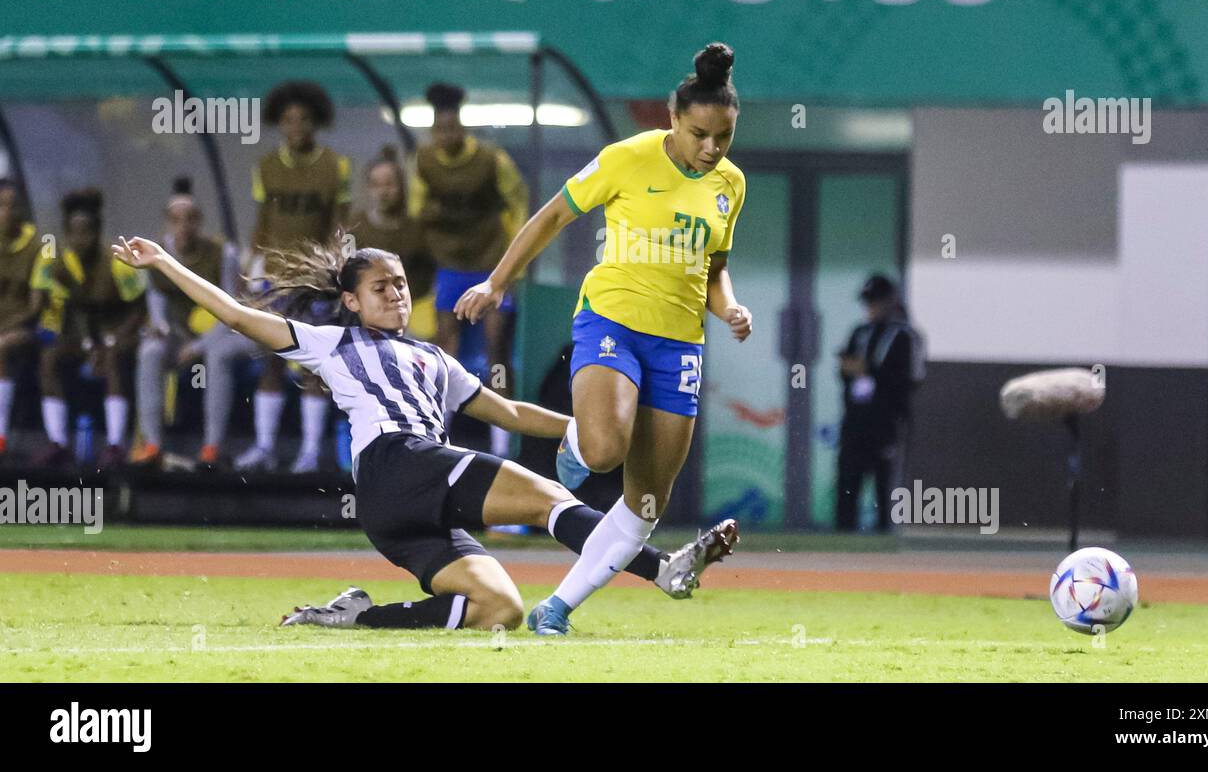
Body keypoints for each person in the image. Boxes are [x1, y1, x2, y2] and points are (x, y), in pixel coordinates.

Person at [111, 232, 737, 631]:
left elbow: (511, 414)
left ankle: (358, 617)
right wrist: (164, 261)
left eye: (402, 285)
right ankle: (662, 569)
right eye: (380, 287)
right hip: (399, 462)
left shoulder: (436, 359)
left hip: (402, 508)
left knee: (501, 612)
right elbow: (241, 317)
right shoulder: (333, 343)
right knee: (551, 502)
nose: (396, 294)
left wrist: (589, 427)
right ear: (351, 301)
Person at [456, 42, 751, 635]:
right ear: (674, 119)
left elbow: (714, 269)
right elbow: (550, 218)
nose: (711, 149)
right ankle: (576, 445)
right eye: (700, 135)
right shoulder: (625, 159)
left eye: (723, 137)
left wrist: (731, 308)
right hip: (612, 320)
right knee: (605, 450)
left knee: (646, 503)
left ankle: (555, 609)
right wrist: (495, 283)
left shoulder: (730, 185)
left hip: (680, 346)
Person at [237, 81, 352, 474]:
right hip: (275, 279)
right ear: (279, 124)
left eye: (303, 119)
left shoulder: (334, 166)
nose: (296, 126)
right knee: (271, 361)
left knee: (311, 365)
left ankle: (308, 453)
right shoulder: (266, 166)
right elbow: (262, 224)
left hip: (315, 280)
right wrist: (250, 268)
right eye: (288, 120)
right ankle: (265, 447)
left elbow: (340, 226)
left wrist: (337, 271)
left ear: (315, 123)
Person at [408, 82, 527, 457]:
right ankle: (440, 437)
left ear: (462, 127)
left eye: (453, 127)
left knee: (497, 349)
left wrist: (515, 261)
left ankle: (503, 444)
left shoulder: (491, 160)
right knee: (447, 351)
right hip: (451, 267)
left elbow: (519, 201)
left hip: (491, 267)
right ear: (433, 131)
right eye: (440, 129)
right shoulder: (424, 162)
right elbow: (416, 210)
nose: (448, 135)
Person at [32, 188, 146, 469]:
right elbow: (63, 310)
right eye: (74, 233)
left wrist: (110, 341)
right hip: (81, 336)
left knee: (113, 359)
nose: (80, 240)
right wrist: (85, 344)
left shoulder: (117, 262)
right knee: (49, 359)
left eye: (86, 232)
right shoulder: (57, 262)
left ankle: (115, 445)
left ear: (97, 233)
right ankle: (58, 442)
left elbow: (139, 311)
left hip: (119, 334)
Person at [132, 178, 241, 467]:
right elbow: (157, 305)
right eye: (176, 220)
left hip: (221, 331)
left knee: (217, 357)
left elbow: (233, 311)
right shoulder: (156, 254)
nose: (184, 227)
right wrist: (163, 330)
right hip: (181, 335)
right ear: (167, 223)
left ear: (200, 222)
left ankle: (211, 448)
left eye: (191, 219)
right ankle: (152, 444)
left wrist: (198, 346)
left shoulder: (222, 253)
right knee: (150, 352)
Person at [835, 274, 925, 533]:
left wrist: (871, 371)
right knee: (848, 477)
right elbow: (845, 370)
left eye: (876, 302)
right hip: (856, 419)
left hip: (886, 420)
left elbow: (911, 377)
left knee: (885, 482)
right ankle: (844, 531)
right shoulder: (860, 332)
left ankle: (886, 532)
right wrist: (852, 369)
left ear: (890, 302)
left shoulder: (905, 336)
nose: (871, 308)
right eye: (868, 302)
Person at [351, 147, 436, 342]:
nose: (383, 192)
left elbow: (431, 274)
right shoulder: (354, 228)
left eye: (389, 184)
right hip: (367, 315)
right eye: (376, 185)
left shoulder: (418, 228)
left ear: (401, 187)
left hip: (415, 310)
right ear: (368, 189)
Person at [0, 179, 46, 458]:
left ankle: (1, 435)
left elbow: (36, 307)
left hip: (27, 330)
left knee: (2, 347)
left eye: (12, 206)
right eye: (1, 205)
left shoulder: (40, 247)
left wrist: (4, 328)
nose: (7, 212)